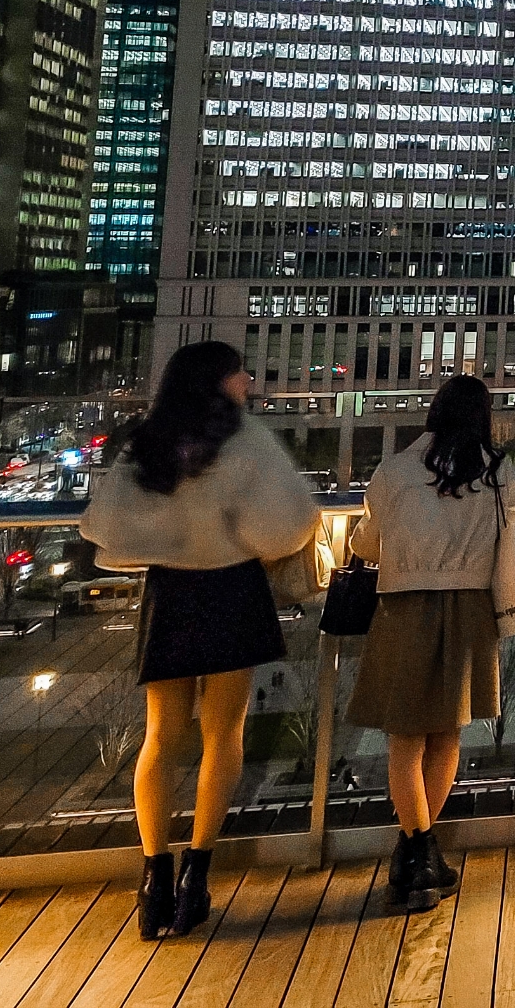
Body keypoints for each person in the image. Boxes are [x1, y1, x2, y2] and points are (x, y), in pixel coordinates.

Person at [80, 340, 321, 941]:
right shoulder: (244, 439)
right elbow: (290, 523)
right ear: (220, 380)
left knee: (160, 737)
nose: (248, 381)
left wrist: (168, 540)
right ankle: (197, 872)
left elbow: (102, 524)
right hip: (233, 588)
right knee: (223, 734)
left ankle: (153, 877)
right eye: (240, 372)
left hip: (171, 593)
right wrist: (237, 539)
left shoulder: (148, 440)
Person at [347, 374, 515, 909]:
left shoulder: (394, 470)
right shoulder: (497, 472)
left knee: (405, 739)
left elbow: (367, 544)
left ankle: (415, 853)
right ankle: (420, 853)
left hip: (404, 607)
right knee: (447, 736)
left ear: (433, 412)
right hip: (470, 609)